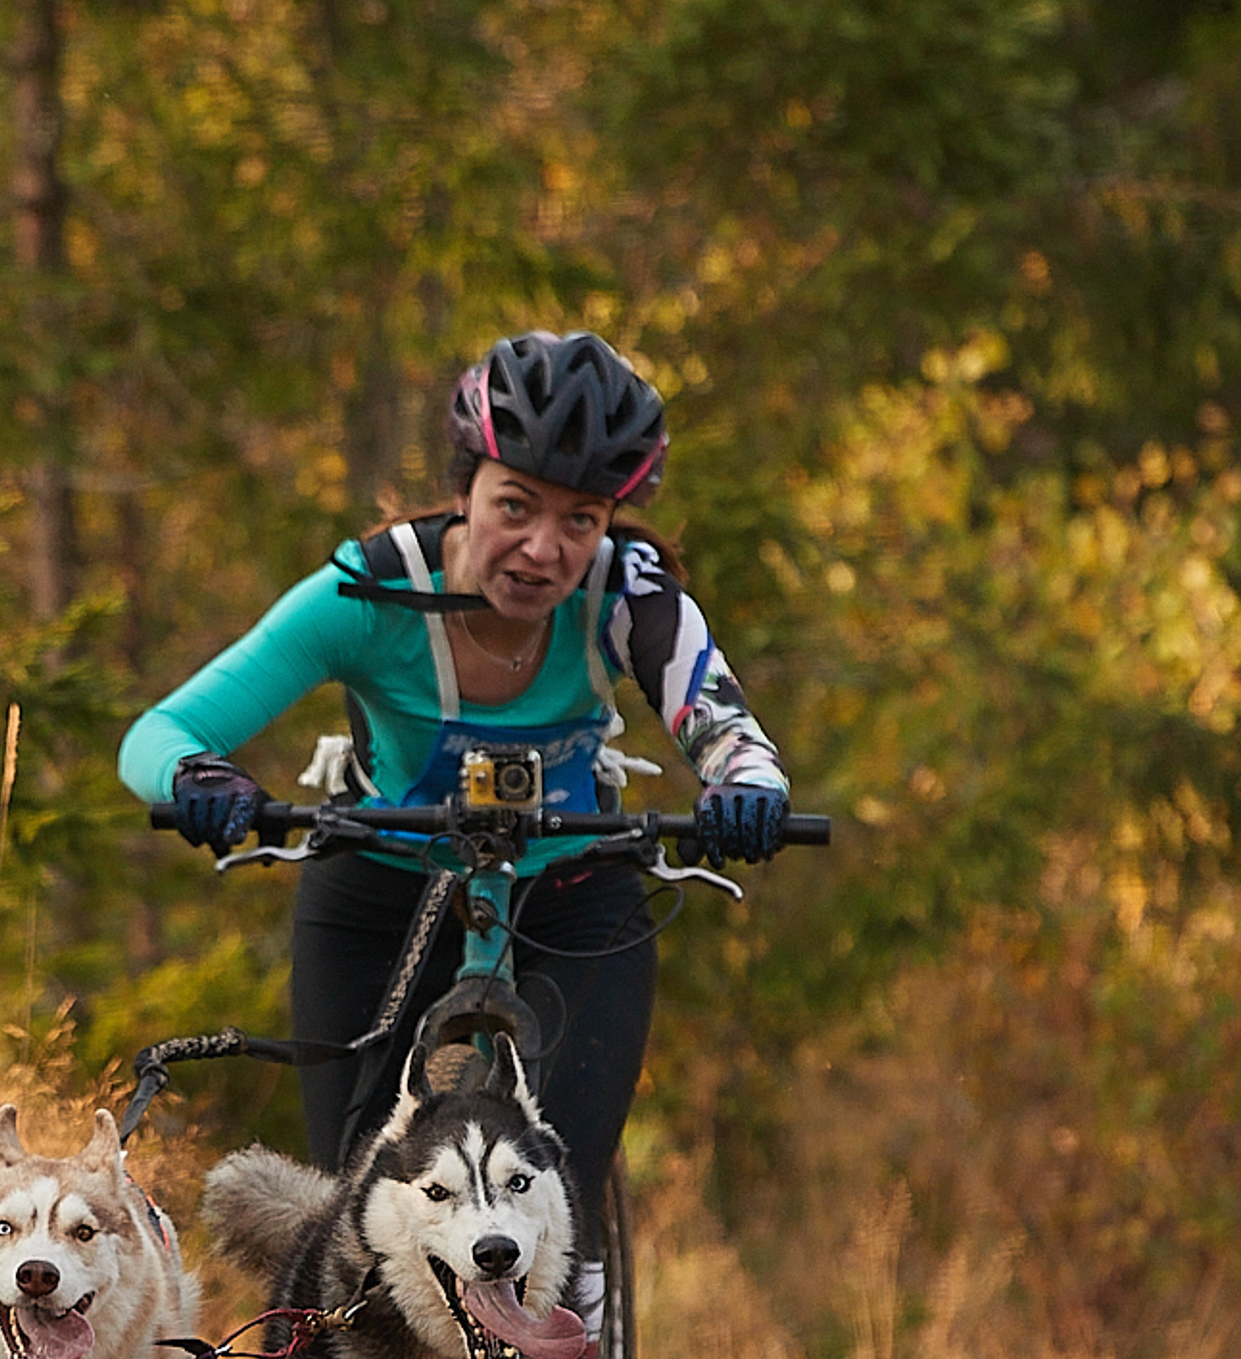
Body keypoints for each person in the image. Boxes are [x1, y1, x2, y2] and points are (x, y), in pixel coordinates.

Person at [117, 328, 788, 1224]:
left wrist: (743, 790)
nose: (545, 549)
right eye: (516, 506)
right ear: (464, 488)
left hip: (573, 896)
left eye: (580, 521)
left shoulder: (629, 592)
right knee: (358, 1215)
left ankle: (573, 1335)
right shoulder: (371, 594)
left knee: (558, 1203)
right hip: (379, 896)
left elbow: (731, 734)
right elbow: (161, 732)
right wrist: (199, 777)